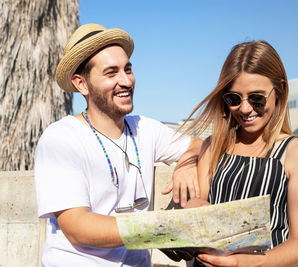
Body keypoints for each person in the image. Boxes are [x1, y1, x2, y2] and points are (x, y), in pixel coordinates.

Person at [34, 23, 202, 266]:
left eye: (128, 69)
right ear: (82, 84)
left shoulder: (145, 128)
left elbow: (200, 144)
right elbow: (77, 227)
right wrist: (162, 231)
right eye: (111, 73)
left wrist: (187, 162)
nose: (126, 81)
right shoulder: (61, 138)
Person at [182, 41, 298, 266]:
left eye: (256, 98)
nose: (245, 109)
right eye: (234, 99)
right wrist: (192, 208)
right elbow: (203, 208)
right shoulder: (212, 146)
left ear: (280, 91)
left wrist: (241, 263)